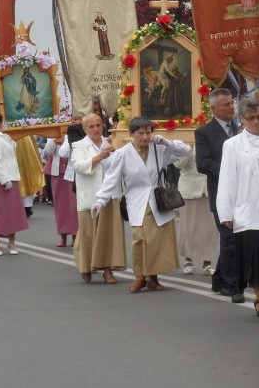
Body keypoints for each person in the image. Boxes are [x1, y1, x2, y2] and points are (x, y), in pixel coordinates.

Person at [92, 117, 190, 293]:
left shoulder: (159, 149)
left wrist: (167, 142)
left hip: (158, 200)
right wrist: (100, 200)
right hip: (136, 200)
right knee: (139, 239)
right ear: (132, 134)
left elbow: (186, 151)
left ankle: (152, 277)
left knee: (157, 240)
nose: (145, 137)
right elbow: (111, 179)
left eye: (148, 132)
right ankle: (139, 276)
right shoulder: (123, 153)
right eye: (140, 133)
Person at [216, 97, 259, 323]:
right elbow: (227, 180)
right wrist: (226, 212)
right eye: (250, 118)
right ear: (241, 119)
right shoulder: (232, 145)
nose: (255, 122)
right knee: (257, 257)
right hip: (247, 207)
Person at [196, 88, 243, 301]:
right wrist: (227, 171)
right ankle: (232, 286)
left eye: (232, 103)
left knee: (237, 237)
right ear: (214, 108)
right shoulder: (204, 132)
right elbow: (203, 163)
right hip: (220, 193)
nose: (231, 107)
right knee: (229, 237)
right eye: (226, 105)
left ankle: (219, 279)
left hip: (243, 192)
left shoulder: (241, 128)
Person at [71, 113, 125, 284]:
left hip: (110, 195)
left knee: (108, 234)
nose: (95, 129)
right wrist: (98, 158)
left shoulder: (111, 143)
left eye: (98, 125)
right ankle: (86, 266)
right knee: (88, 234)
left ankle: (108, 270)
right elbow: (78, 166)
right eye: (91, 126)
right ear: (85, 129)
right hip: (90, 196)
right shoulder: (79, 145)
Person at [0, 110, 29, 256]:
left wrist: (6, 136)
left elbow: (11, 150)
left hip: (10, 177)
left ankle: (11, 242)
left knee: (12, 212)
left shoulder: (0, 136)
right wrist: (4, 179)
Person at [176, 146, 216, 277]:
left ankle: (207, 263)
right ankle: (188, 261)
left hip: (209, 189)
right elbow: (178, 164)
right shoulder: (182, 144)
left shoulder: (209, 138)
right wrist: (187, 148)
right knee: (189, 227)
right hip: (190, 190)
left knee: (209, 229)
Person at [43, 135, 76, 247]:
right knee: (60, 206)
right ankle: (63, 236)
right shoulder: (53, 133)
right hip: (58, 173)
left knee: (73, 206)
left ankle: (75, 236)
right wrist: (53, 138)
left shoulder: (75, 133)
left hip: (72, 172)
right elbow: (47, 151)